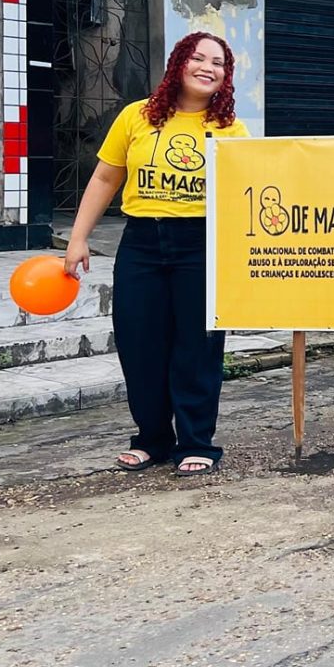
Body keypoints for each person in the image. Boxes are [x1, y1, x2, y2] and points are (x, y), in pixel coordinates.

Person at [64, 32, 247, 475]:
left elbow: (245, 194)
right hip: (142, 241)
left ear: (226, 76)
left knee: (197, 346)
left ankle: (196, 442)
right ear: (179, 63)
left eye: (218, 63)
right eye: (199, 58)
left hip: (200, 243)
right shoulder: (137, 117)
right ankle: (151, 439)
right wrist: (77, 237)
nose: (208, 67)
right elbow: (106, 178)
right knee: (139, 342)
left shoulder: (231, 130)